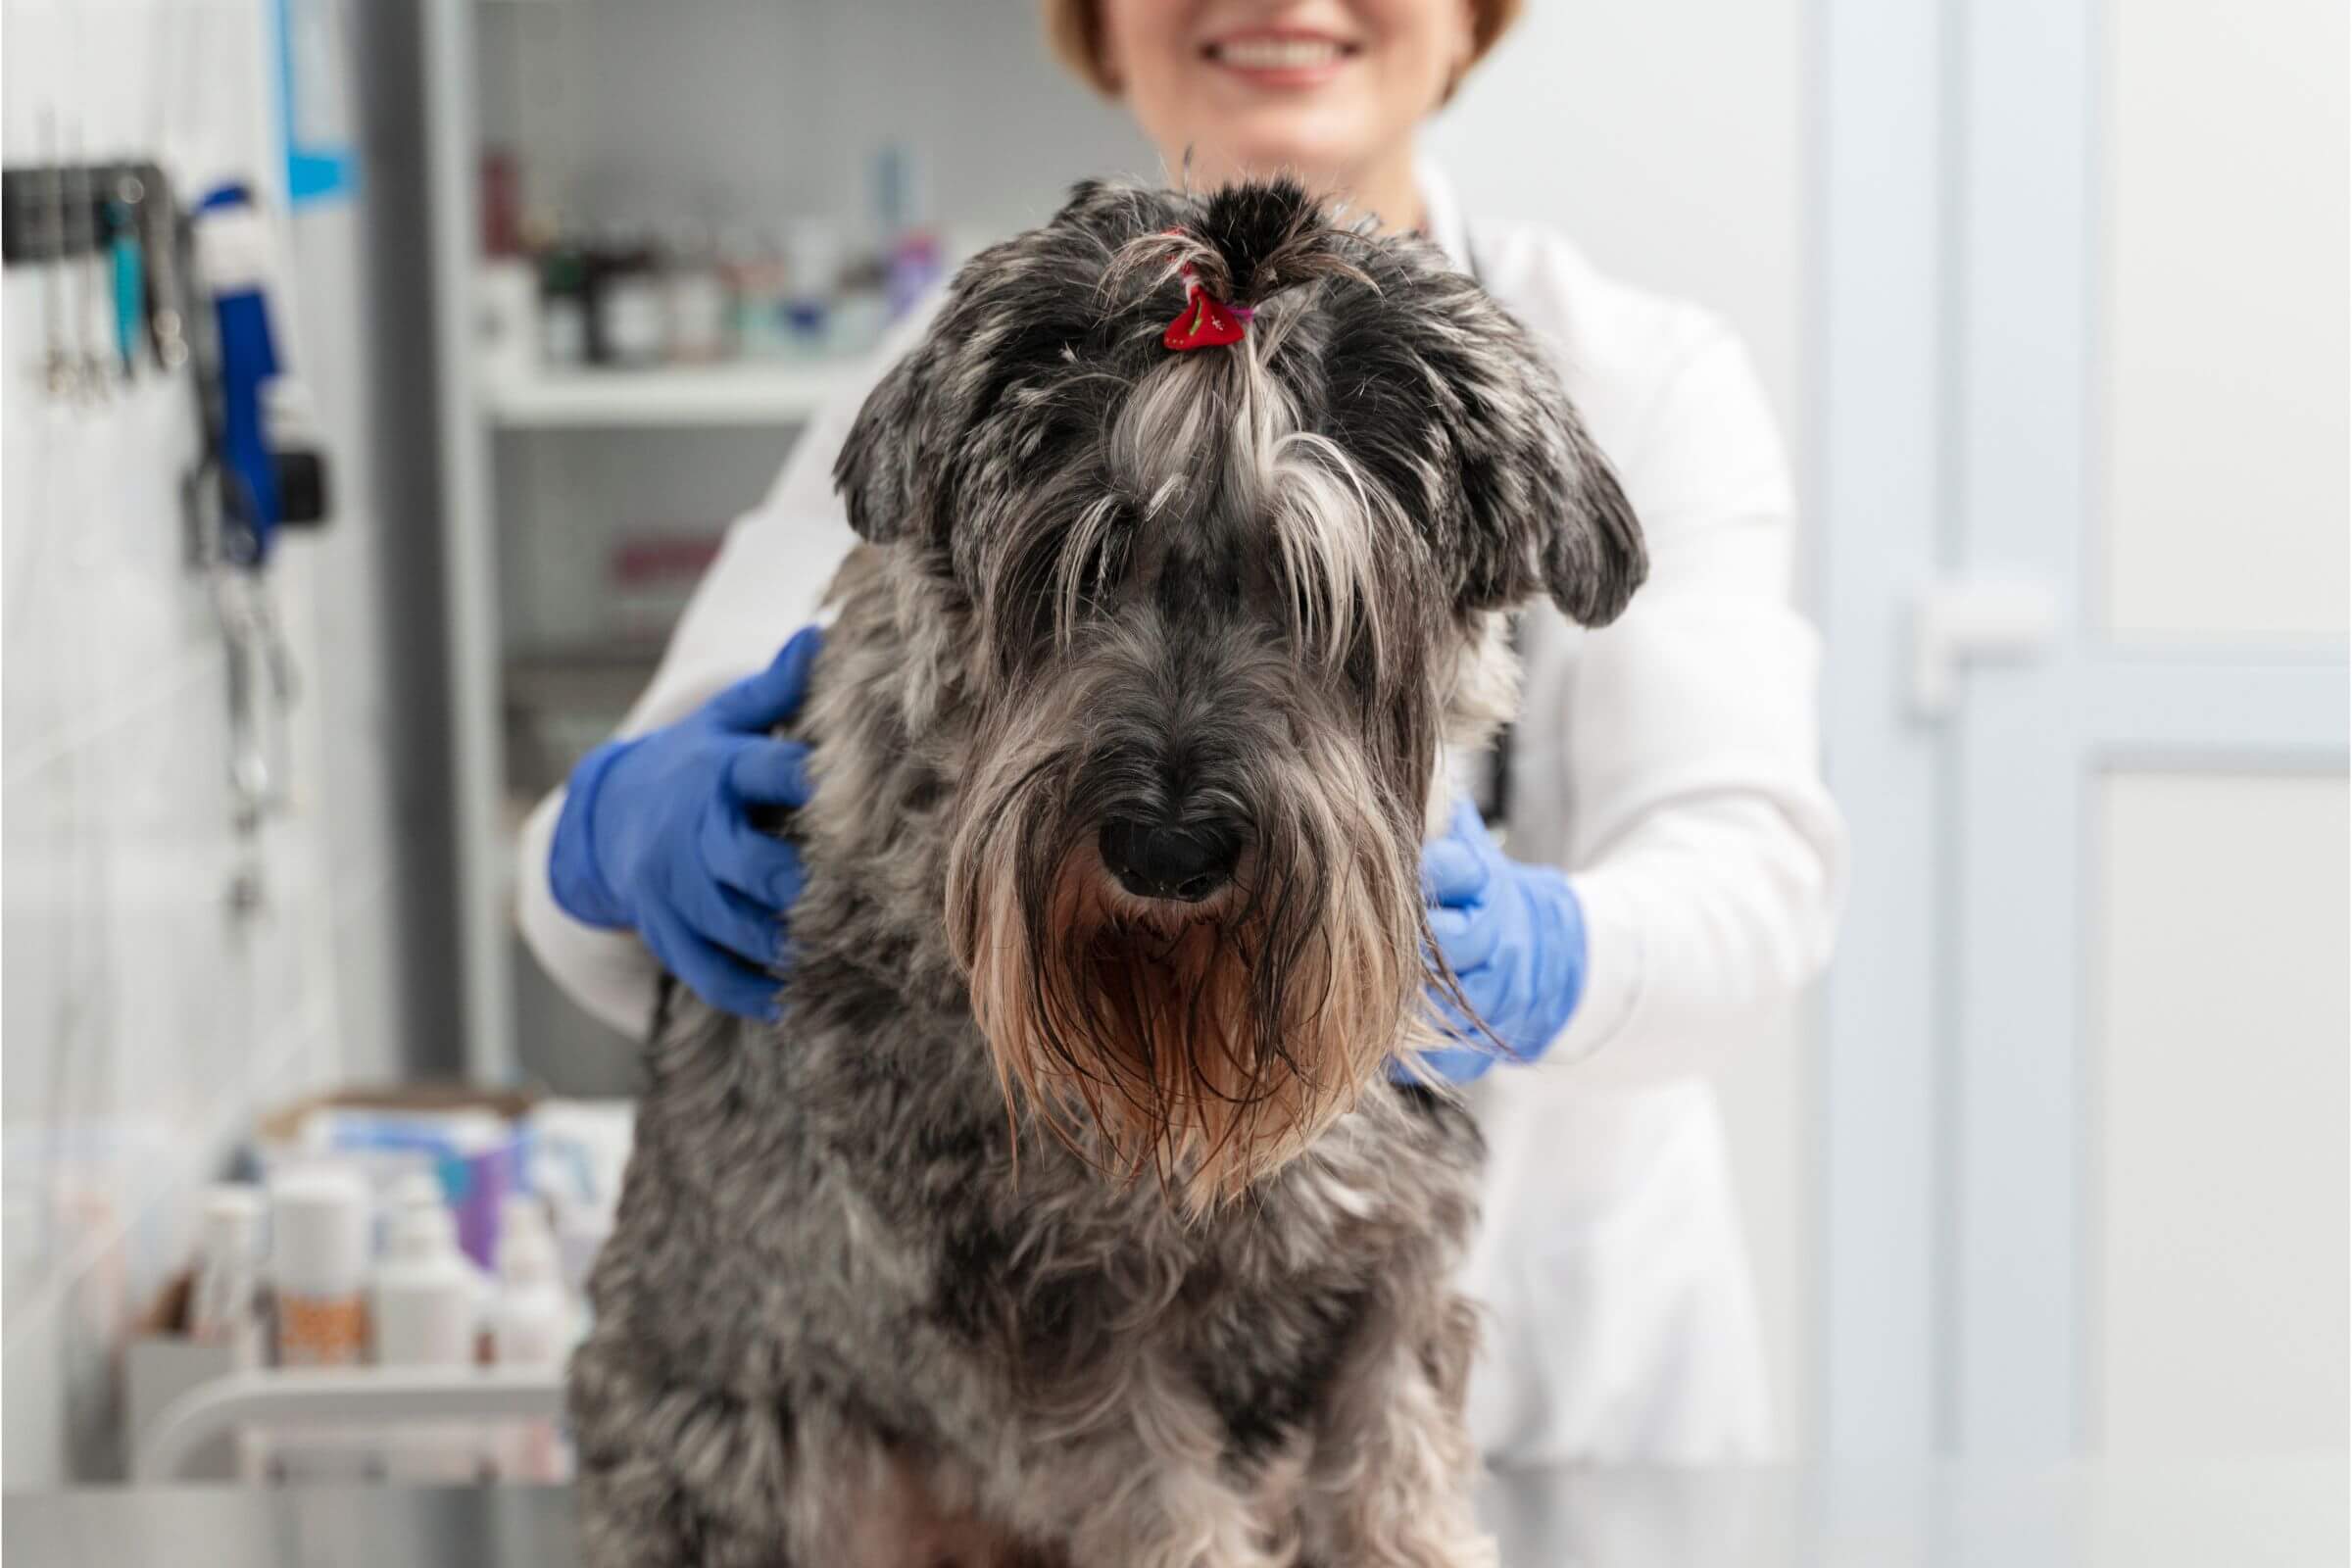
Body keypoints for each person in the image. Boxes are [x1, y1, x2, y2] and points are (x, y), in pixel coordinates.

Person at [518, 0, 1845, 1464]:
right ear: (1102, 29)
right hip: (1089, 1432)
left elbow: (1757, 881)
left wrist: (1539, 957)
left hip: (1559, 1425)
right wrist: (608, 839)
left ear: (1472, 23)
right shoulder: (976, 365)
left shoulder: (1640, 375)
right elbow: (609, 855)